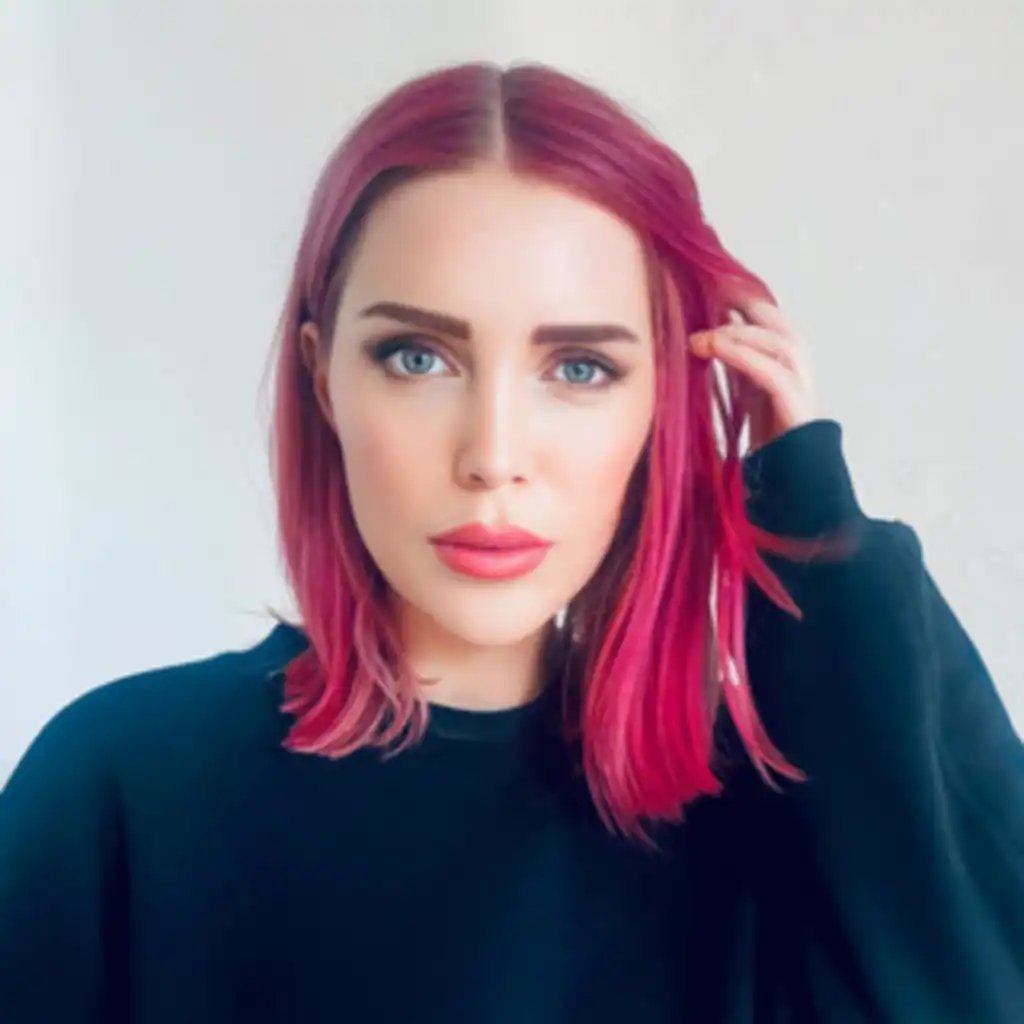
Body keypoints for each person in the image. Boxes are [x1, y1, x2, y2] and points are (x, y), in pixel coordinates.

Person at [1, 60, 1021, 1024]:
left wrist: (812, 524)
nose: (493, 456)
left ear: (663, 401)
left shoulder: (760, 822)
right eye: (417, 357)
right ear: (323, 378)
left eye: (579, 369)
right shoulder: (119, 792)